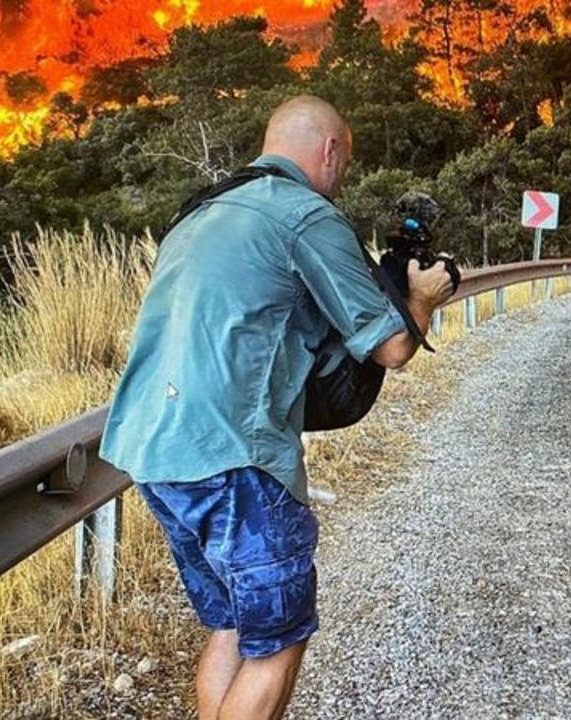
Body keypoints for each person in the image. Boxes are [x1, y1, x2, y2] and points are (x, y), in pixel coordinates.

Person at [99, 95, 453, 720]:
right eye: (345, 161)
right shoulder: (305, 215)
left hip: (152, 451)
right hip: (235, 459)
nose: (342, 176)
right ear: (330, 151)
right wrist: (422, 297)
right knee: (277, 643)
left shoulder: (199, 211)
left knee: (236, 627)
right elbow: (393, 347)